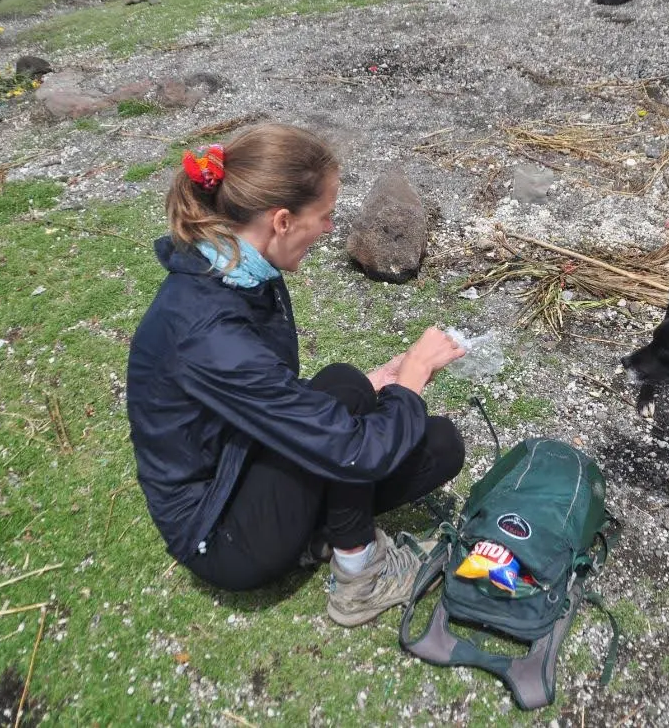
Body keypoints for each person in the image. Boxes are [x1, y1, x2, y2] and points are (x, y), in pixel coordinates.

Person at [126, 124, 467, 627]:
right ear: (281, 221)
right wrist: (410, 377)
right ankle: (361, 578)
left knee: (432, 440)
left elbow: (267, 396)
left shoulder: (239, 273)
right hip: (218, 534)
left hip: (241, 461)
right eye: (325, 215)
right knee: (352, 407)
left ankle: (316, 535)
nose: (330, 229)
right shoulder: (206, 330)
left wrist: (387, 381)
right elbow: (356, 450)